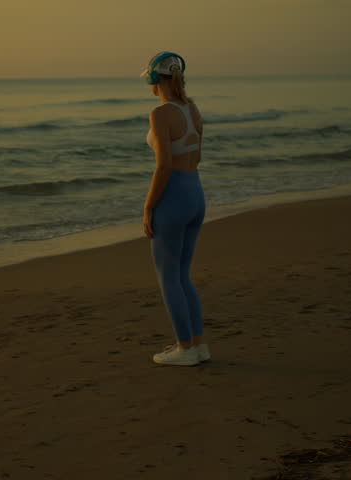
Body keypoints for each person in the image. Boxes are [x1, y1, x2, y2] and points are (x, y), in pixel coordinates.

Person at [140, 51, 210, 366]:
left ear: (156, 79)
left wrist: (148, 207)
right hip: (196, 193)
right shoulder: (192, 108)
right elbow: (196, 154)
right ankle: (198, 345)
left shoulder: (161, 114)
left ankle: (185, 349)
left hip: (175, 197)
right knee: (183, 275)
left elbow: (164, 166)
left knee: (168, 276)